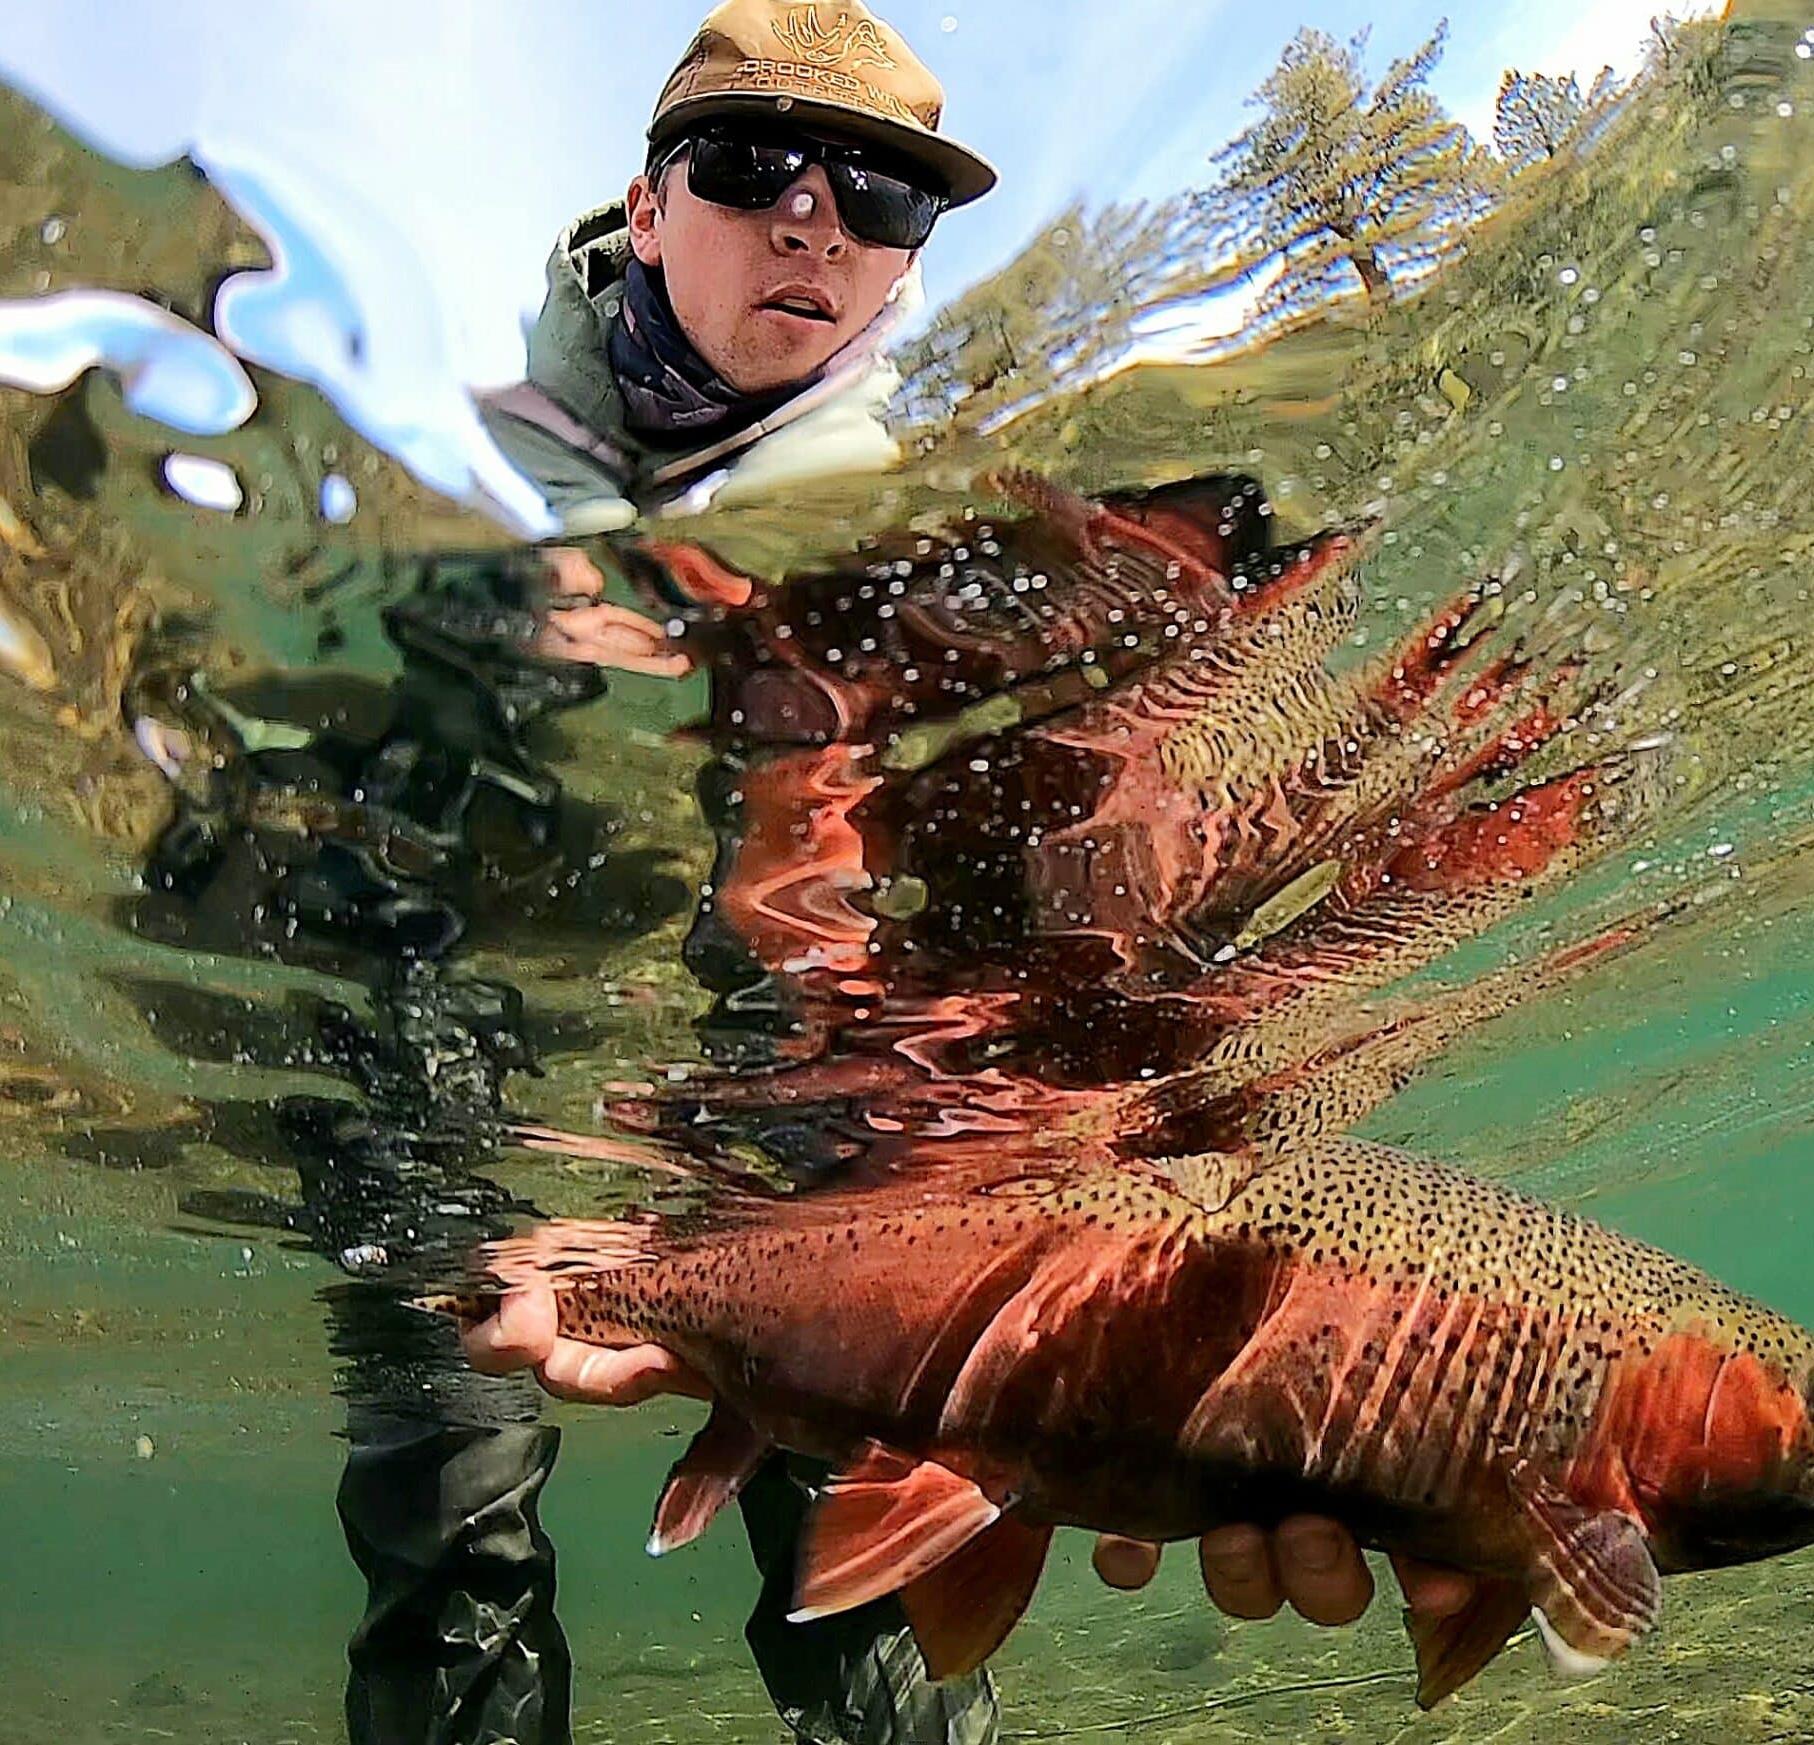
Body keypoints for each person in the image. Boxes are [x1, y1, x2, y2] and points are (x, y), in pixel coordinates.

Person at [453, 4, 1476, 1741]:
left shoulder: (960, 530)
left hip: (822, 1115)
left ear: (912, 269)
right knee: (450, 1530)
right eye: (752, 163)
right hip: (482, 1048)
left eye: (882, 198)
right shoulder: (446, 460)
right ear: (644, 206)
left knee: (876, 1578)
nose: (812, 221)